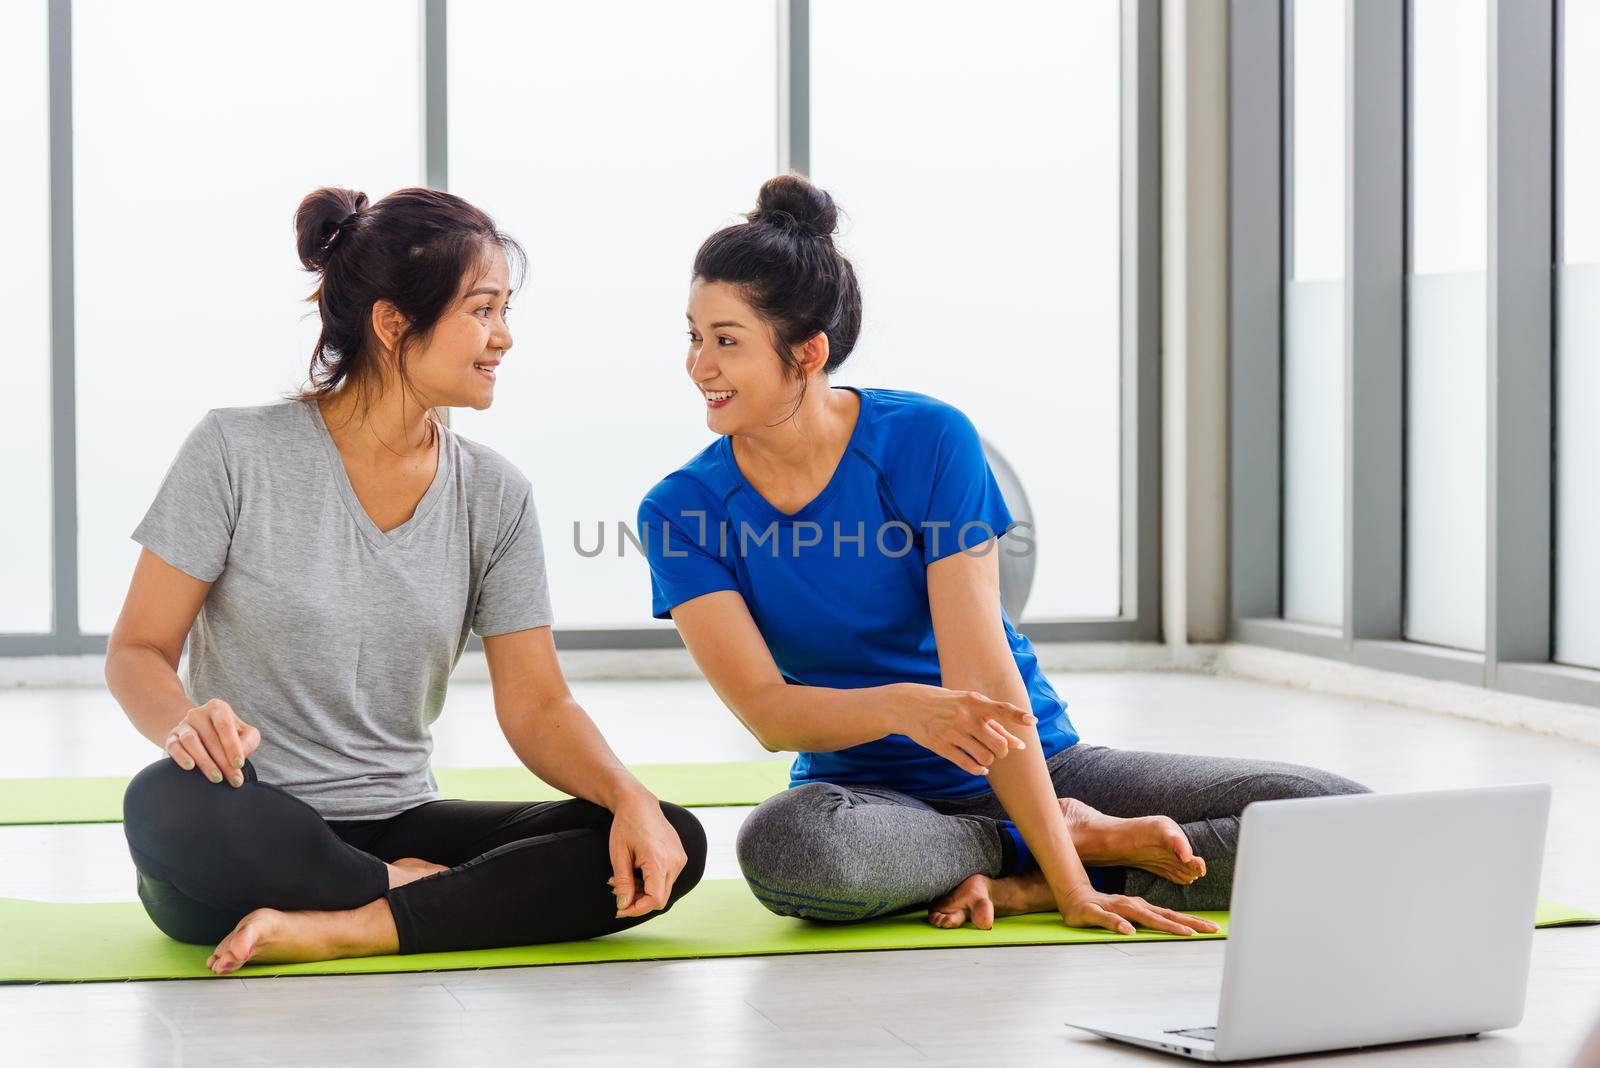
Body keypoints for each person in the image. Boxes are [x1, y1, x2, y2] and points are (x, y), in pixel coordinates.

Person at [638, 174, 1366, 935]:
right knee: (789, 851)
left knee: (1337, 815)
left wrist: (1069, 890)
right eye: (694, 336)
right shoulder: (680, 511)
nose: (699, 366)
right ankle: (1055, 843)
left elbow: (986, 677)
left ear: (807, 352)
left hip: (1036, 765)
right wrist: (900, 708)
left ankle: (1035, 874)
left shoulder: (927, 439)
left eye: (726, 341)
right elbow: (768, 713)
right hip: (871, 803)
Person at [110, 186, 704, 975]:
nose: (505, 338)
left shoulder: (494, 492)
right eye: (484, 311)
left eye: (505, 311)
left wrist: (629, 799)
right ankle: (412, 897)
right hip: (251, 822)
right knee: (160, 805)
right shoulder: (235, 450)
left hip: (403, 818)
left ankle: (346, 925)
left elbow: (537, 704)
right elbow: (138, 650)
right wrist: (183, 722)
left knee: (670, 839)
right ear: (394, 323)